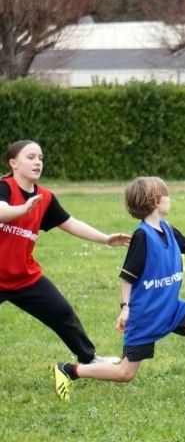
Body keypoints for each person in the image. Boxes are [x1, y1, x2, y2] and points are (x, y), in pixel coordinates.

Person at [54, 176, 185, 401]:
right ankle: (69, 370)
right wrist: (125, 307)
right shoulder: (142, 236)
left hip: (170, 307)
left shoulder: (167, 228)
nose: (169, 198)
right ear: (156, 201)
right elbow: (127, 277)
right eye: (166, 195)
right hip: (146, 314)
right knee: (125, 373)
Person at [0, 140, 130, 364]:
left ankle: (89, 360)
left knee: (62, 313)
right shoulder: (5, 187)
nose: (37, 162)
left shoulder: (45, 198)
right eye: (30, 157)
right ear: (13, 163)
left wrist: (106, 239)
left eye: (40, 158)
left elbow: (71, 223)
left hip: (24, 277)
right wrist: (23, 209)